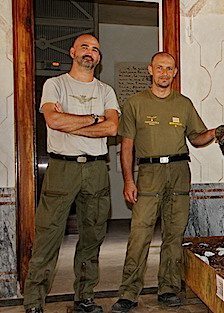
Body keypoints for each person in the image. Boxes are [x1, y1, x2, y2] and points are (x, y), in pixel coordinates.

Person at [111, 52, 215, 312]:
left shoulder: (184, 103)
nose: (164, 73)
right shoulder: (135, 103)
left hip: (180, 171)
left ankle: (168, 289)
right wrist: (128, 180)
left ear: (175, 72)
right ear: (150, 70)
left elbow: (197, 138)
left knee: (174, 235)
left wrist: (216, 133)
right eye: (160, 68)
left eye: (169, 69)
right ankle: (128, 293)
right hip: (148, 173)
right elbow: (126, 147)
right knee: (139, 234)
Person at [23, 34, 120, 313]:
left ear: (99, 58)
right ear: (72, 51)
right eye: (85, 47)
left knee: (93, 235)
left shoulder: (106, 91)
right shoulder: (55, 85)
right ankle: (33, 303)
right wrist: (93, 119)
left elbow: (112, 129)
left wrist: (72, 123)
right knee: (48, 236)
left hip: (96, 168)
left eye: (96, 49)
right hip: (62, 168)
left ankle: (84, 297)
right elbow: (53, 120)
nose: (90, 52)